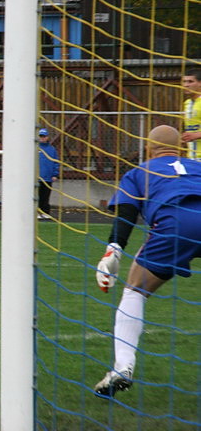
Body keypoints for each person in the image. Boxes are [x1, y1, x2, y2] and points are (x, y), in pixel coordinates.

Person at [92, 125, 201, 399]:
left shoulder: (139, 172)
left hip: (177, 225)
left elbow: (126, 214)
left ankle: (123, 367)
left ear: (148, 149)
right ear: (181, 148)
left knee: (135, 290)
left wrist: (113, 249)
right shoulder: (197, 166)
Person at [37, 128, 59, 220]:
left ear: (47, 137)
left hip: (47, 177)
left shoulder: (52, 149)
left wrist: (55, 174)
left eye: (44, 136)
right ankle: (37, 212)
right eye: (41, 136)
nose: (42, 138)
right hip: (37, 177)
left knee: (45, 196)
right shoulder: (35, 148)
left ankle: (45, 212)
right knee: (36, 196)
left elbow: (56, 162)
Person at [180, 69, 201, 159]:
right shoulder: (187, 103)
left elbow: (195, 134)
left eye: (190, 81)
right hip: (193, 157)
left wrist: (196, 135)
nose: (186, 85)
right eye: (184, 82)